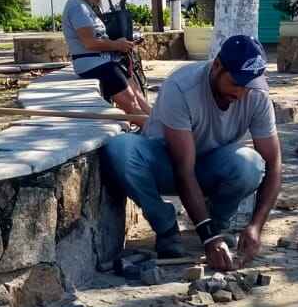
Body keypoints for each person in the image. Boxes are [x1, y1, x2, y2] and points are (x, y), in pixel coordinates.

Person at [103, 34, 281, 272]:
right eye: (235, 83)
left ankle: (218, 224)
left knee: (250, 164)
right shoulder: (182, 87)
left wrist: (256, 226)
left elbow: (274, 163)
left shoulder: (256, 94)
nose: (240, 94)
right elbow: (183, 169)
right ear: (217, 66)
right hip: (165, 165)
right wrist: (206, 238)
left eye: (247, 86)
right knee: (120, 148)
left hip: (209, 166)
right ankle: (167, 229)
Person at [63, 0, 151, 118]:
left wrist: (120, 43)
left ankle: (160, 124)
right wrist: (117, 45)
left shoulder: (84, 7)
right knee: (132, 104)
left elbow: (97, 39)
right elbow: (90, 43)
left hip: (104, 61)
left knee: (138, 96)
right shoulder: (78, 8)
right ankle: (157, 133)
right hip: (94, 65)